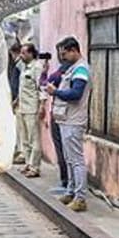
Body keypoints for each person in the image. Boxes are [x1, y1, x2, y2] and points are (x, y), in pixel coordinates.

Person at [47, 37, 91, 212]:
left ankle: (80, 198)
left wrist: (56, 92)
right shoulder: (72, 68)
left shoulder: (81, 69)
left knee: (76, 160)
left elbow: (76, 94)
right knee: (69, 159)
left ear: (74, 50)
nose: (62, 57)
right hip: (66, 119)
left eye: (65, 54)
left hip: (74, 120)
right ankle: (71, 191)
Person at [15, 43, 46, 177]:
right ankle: (28, 164)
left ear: (31, 54)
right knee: (25, 139)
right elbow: (23, 87)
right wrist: (17, 100)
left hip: (32, 108)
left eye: (23, 53)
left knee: (34, 140)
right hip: (22, 107)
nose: (21, 55)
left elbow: (42, 87)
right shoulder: (24, 67)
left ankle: (35, 167)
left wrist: (42, 105)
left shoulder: (37, 67)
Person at [42, 52, 70, 192]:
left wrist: (44, 73)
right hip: (67, 115)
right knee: (67, 151)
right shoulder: (75, 70)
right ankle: (68, 182)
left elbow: (44, 84)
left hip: (60, 115)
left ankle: (66, 181)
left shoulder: (62, 71)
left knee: (62, 150)